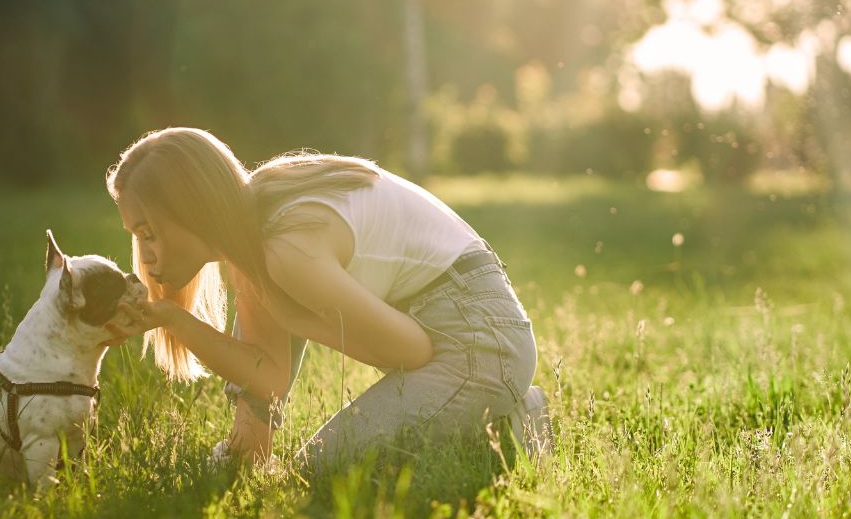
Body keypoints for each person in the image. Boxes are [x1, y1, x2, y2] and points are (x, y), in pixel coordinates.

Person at [102, 127, 552, 473]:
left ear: (192, 210)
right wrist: (173, 318)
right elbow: (268, 378)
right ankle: (491, 416)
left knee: (318, 471)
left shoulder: (286, 249)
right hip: (471, 323)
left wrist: (296, 318)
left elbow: (412, 351)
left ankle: (507, 431)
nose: (145, 255)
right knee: (322, 465)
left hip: (480, 342)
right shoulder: (255, 225)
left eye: (148, 233)